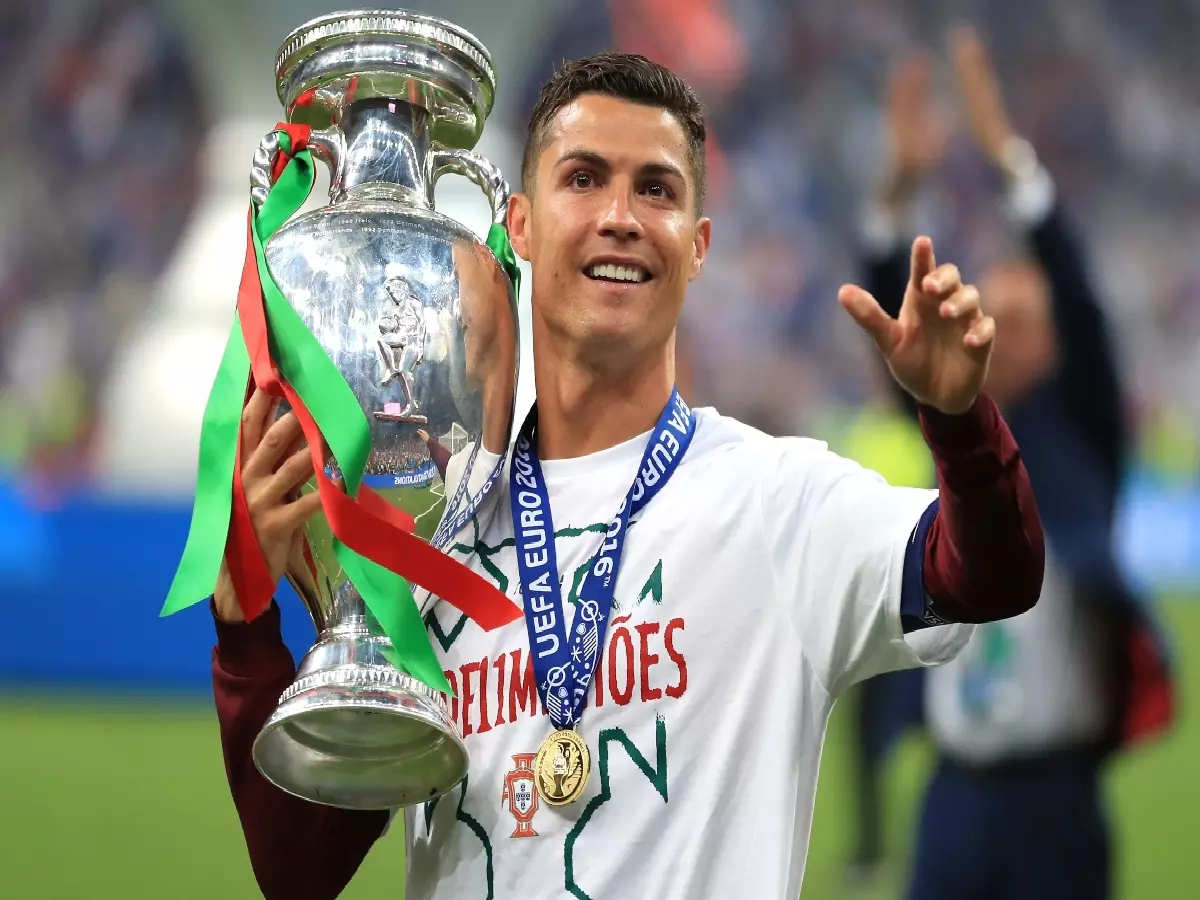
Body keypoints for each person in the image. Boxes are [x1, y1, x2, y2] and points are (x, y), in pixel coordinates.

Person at [209, 53, 1045, 900]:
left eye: (658, 189)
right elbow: (299, 871)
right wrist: (247, 633)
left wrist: (959, 422)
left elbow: (992, 575)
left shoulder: (779, 503)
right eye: (584, 178)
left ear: (699, 247)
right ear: (522, 227)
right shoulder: (434, 533)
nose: (621, 216)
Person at [854, 28, 1176, 900]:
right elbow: (894, 329)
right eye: (991, 313)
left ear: (1057, 341)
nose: (999, 329)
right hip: (955, 789)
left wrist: (1010, 161)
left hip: (1054, 794)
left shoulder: (1081, 446)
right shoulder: (954, 431)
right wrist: (896, 190)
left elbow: (1079, 295)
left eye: (1024, 317)